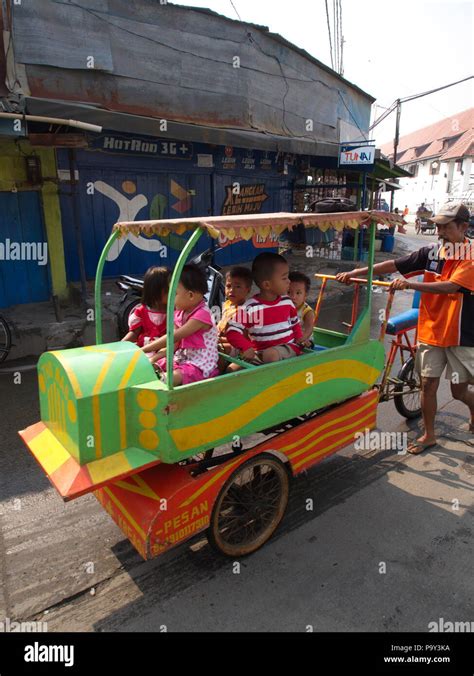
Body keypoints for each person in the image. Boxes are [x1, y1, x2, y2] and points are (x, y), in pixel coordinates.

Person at [336, 203, 474, 454]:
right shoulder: (432, 253)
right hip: (432, 331)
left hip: (460, 334)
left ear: (463, 227)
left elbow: (451, 287)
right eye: (438, 226)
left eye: (446, 226)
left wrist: (411, 286)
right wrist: (355, 272)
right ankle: (429, 435)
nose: (440, 232)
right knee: (428, 385)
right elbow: (394, 265)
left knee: (458, 391)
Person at [143, 264, 219, 386]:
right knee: (156, 363)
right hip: (182, 359)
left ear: (190, 295)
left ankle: (159, 386)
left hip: (200, 365)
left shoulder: (202, 315)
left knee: (175, 376)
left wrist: (143, 349)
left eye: (174, 293)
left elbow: (173, 337)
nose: (170, 298)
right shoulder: (179, 313)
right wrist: (155, 358)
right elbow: (173, 345)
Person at [226, 252, 304, 364]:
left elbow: (295, 324)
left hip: (287, 348)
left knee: (270, 354)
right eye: (284, 278)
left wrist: (300, 340)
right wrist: (246, 347)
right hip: (259, 353)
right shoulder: (250, 307)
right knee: (231, 369)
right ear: (267, 285)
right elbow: (232, 331)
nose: (289, 281)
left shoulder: (287, 302)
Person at [121, 266, 170, 361]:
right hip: (144, 351)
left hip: (165, 353)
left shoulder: (175, 312)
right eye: (169, 289)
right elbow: (134, 333)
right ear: (156, 291)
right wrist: (120, 346)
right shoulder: (141, 312)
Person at [217, 266, 253, 367]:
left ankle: (219, 375)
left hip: (239, 346)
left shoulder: (245, 310)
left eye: (237, 287)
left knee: (217, 350)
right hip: (222, 338)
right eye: (228, 286)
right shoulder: (227, 304)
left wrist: (219, 340)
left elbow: (242, 337)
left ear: (248, 290)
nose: (231, 290)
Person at [288, 271, 315, 344]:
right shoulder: (283, 306)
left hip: (304, 339)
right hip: (288, 337)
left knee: (306, 344)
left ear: (305, 295)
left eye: (298, 293)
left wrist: (302, 339)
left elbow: (309, 328)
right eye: (288, 292)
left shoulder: (307, 311)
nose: (293, 297)